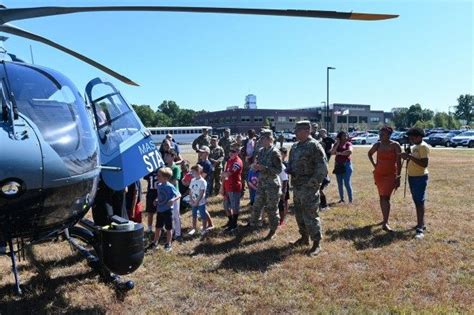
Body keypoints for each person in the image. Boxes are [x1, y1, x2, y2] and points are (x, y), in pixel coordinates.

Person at [288, 121, 328, 256]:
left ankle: (316, 243)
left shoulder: (314, 146)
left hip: (309, 187)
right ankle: (304, 237)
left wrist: (313, 184)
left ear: (307, 130)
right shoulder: (295, 146)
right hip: (297, 186)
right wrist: (288, 169)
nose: (295, 132)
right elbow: (292, 164)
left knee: (310, 214)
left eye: (297, 130)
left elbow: (322, 167)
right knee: (299, 214)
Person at [248, 129, 282, 240]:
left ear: (269, 139)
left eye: (262, 138)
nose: (260, 141)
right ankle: (254, 225)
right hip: (261, 182)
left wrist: (265, 168)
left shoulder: (275, 152)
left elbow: (278, 170)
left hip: (272, 184)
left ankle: (273, 230)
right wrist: (255, 166)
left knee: (271, 209)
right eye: (260, 138)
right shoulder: (261, 151)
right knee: (257, 205)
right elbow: (257, 163)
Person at [368, 126, 402, 232]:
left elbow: (399, 162)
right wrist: (375, 165)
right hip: (379, 174)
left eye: (382, 134)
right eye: (380, 133)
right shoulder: (378, 145)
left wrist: (398, 176)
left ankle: (385, 222)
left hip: (390, 174)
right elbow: (369, 154)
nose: (380, 135)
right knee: (382, 197)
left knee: (385, 198)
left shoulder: (395, 145)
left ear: (389, 134)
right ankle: (384, 219)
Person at [400, 127, 430, 239]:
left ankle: (420, 227)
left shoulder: (423, 147)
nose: (410, 139)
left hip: (420, 177)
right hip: (412, 176)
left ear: (419, 136)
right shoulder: (414, 147)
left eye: (412, 137)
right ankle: (421, 222)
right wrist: (407, 156)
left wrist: (409, 156)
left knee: (419, 201)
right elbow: (412, 159)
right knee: (417, 201)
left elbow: (424, 164)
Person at [151, 167, 181, 252]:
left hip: (167, 210)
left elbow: (179, 195)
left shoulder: (170, 186)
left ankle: (168, 244)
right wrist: (156, 200)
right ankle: (155, 242)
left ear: (165, 178)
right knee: (158, 227)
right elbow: (160, 195)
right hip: (160, 210)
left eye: (159, 176)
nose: (157, 177)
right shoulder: (159, 185)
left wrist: (172, 200)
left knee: (169, 228)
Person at [221, 143, 243, 232]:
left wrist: (222, 174)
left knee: (234, 207)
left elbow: (228, 173)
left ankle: (234, 224)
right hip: (227, 187)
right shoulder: (229, 160)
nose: (231, 153)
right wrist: (222, 187)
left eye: (233, 151)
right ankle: (230, 221)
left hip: (234, 187)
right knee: (226, 206)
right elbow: (225, 175)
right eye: (230, 150)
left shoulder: (237, 162)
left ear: (237, 152)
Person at [188, 164, 214, 235]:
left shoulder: (202, 181)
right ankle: (193, 228)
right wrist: (191, 199)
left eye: (193, 172)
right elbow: (190, 190)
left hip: (200, 202)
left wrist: (197, 202)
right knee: (194, 215)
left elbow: (202, 193)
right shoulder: (192, 180)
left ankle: (204, 229)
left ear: (198, 172)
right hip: (193, 201)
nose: (191, 173)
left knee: (203, 215)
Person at [330, 131, 354, 204]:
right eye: (344, 136)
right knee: (339, 183)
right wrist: (337, 143)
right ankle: (342, 199)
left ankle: (350, 200)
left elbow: (349, 152)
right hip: (338, 165)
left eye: (346, 136)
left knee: (347, 183)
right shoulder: (336, 144)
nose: (346, 137)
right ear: (340, 137)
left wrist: (339, 153)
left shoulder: (348, 144)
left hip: (346, 165)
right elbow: (332, 152)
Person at [164, 149, 182, 241]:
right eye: (165, 156)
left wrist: (165, 182)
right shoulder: (165, 168)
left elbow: (174, 181)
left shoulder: (175, 168)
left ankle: (178, 233)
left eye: (167, 156)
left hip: (174, 194)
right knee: (169, 215)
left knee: (176, 214)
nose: (165, 157)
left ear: (173, 157)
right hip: (167, 194)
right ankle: (171, 230)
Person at [318, 128, 335, 210]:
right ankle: (321, 203)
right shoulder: (319, 141)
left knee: (320, 188)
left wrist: (331, 150)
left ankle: (324, 204)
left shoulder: (328, 139)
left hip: (323, 169)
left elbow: (335, 143)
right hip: (319, 169)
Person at [240, 129, 256, 195]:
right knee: (242, 178)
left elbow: (256, 152)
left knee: (250, 179)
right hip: (244, 161)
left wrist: (251, 158)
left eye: (251, 134)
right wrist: (245, 155)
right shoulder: (245, 141)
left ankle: (251, 194)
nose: (250, 135)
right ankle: (242, 192)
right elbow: (242, 150)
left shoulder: (256, 141)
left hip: (252, 162)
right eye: (249, 133)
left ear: (254, 134)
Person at [278, 147, 290, 226]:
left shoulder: (284, 165)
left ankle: (283, 218)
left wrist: (283, 191)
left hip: (283, 185)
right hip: (277, 186)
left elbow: (285, 179)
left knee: (284, 201)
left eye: (281, 154)